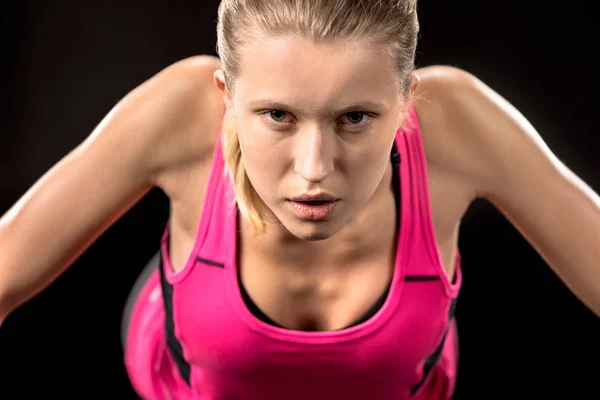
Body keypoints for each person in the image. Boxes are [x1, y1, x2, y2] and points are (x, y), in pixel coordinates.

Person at [1, 0, 599, 398]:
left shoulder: (459, 122)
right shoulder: (183, 111)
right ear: (226, 97)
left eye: (357, 117)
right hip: (185, 356)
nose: (314, 170)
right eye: (277, 116)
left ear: (406, 103)